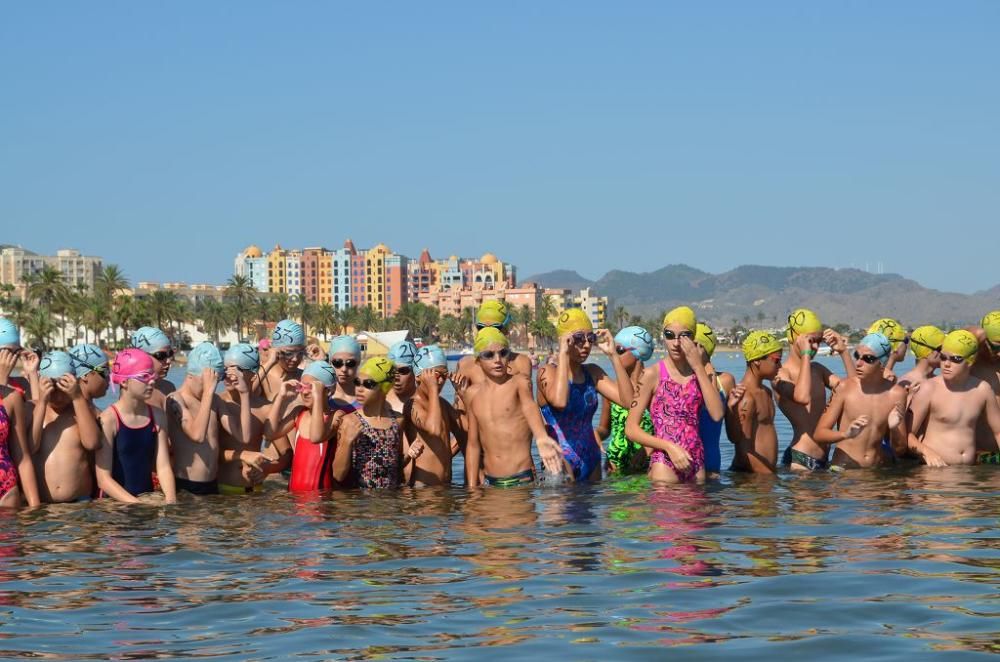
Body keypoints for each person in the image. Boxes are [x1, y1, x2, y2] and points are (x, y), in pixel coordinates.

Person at [625, 306, 724, 484]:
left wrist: (699, 367)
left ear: (693, 338)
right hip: (665, 463)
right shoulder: (652, 375)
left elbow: (717, 414)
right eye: (670, 335)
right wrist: (669, 447)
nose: (676, 343)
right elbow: (631, 429)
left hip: (696, 463)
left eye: (684, 336)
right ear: (663, 337)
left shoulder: (700, 375)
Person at [536, 309, 634, 481]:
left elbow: (628, 402)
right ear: (565, 340)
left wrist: (613, 356)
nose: (587, 345)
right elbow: (559, 402)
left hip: (592, 459)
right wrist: (563, 354)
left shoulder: (593, 373)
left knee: (589, 507)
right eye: (579, 338)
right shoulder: (547, 372)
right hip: (559, 462)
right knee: (563, 507)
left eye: (591, 338)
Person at [463, 328, 563, 487]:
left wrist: (541, 437)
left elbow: (530, 407)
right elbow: (473, 444)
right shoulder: (472, 394)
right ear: (478, 361)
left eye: (503, 353)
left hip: (521, 479)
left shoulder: (519, 383)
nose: (497, 359)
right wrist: (471, 487)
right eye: (488, 355)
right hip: (490, 483)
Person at [812, 333, 908, 469]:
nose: (858, 363)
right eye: (857, 356)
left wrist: (894, 430)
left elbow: (900, 450)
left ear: (882, 363)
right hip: (845, 470)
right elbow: (819, 434)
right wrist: (845, 434)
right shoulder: (844, 388)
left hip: (875, 472)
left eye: (867, 359)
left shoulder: (897, 394)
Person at [907, 330, 1000, 466]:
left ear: (970, 361)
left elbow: (998, 432)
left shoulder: (982, 389)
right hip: (936, 476)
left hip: (969, 476)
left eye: (955, 359)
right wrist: (926, 452)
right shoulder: (929, 388)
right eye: (943, 357)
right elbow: (907, 435)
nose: (947, 364)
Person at [96, 349, 176, 503]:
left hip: (146, 498)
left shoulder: (157, 416)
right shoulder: (109, 419)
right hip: (114, 504)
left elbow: (163, 467)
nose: (151, 381)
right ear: (124, 382)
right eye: (144, 377)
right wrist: (137, 504)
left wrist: (171, 502)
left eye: (152, 375)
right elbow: (103, 479)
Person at [778, 308, 853, 472]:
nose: (816, 347)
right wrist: (805, 354)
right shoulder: (781, 373)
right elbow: (802, 396)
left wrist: (843, 352)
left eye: (819, 341)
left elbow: (853, 390)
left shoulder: (817, 369)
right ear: (795, 338)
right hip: (800, 459)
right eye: (811, 341)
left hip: (824, 459)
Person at [726, 331, 811, 473]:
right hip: (750, 479)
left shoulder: (766, 391)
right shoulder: (746, 397)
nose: (780, 366)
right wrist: (767, 476)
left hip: (763, 476)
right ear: (757, 360)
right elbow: (743, 450)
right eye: (776, 360)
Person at [31, 352, 101, 503]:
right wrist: (42, 401)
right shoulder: (33, 410)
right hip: (45, 507)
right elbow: (31, 447)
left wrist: (77, 397)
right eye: (52, 387)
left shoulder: (81, 410)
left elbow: (92, 443)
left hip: (79, 503)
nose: (58, 395)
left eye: (64, 387)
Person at [267, 360, 345, 492]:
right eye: (302, 387)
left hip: (321, 500)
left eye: (311, 387)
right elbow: (270, 434)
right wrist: (281, 397)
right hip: (294, 497)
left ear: (328, 390)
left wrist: (318, 397)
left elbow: (316, 437)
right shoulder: (298, 413)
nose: (305, 392)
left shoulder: (337, 416)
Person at [333, 357, 411, 489]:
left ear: (384, 388)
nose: (360, 389)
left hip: (390, 503)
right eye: (357, 382)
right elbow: (337, 475)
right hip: (360, 502)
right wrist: (346, 442)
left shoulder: (398, 420)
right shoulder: (350, 421)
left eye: (368, 384)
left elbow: (397, 466)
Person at [166, 342, 226, 496]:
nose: (212, 387)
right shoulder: (175, 399)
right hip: (187, 486)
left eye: (215, 383)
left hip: (213, 485)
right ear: (190, 375)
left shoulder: (213, 401)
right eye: (206, 383)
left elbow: (242, 436)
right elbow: (197, 435)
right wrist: (208, 392)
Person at [217, 343, 275, 495]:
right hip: (224, 492)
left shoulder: (265, 408)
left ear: (253, 375)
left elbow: (285, 453)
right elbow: (207, 453)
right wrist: (242, 455)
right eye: (226, 368)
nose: (230, 374)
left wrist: (266, 469)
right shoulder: (216, 404)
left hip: (256, 491)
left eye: (238, 369)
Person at [402, 345, 463, 486]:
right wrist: (433, 389)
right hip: (424, 491)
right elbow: (434, 429)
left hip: (445, 486)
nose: (440, 381)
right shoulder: (412, 405)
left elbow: (466, 429)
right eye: (436, 376)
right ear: (418, 377)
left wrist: (462, 394)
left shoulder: (441, 404)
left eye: (444, 375)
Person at [605, 326, 656, 475]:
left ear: (637, 352)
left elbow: (666, 428)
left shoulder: (654, 387)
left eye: (619, 350)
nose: (614, 354)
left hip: (646, 467)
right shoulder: (612, 389)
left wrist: (647, 449)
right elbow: (604, 428)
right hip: (615, 469)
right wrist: (594, 436)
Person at [456, 300, 533, 386]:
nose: (489, 332)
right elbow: (460, 398)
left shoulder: (521, 363)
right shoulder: (465, 364)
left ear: (506, 329)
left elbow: (526, 397)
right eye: (482, 327)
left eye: (496, 328)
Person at [695, 322, 736, 477]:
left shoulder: (725, 381)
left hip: (712, 467)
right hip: (683, 464)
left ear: (701, 347)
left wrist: (732, 407)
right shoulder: (681, 381)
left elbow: (733, 434)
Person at [972, 311, 1000, 460]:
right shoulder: (972, 363)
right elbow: (968, 335)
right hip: (980, 456)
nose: (999, 353)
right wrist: (981, 334)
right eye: (996, 347)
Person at [258, 319, 306, 401]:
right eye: (288, 353)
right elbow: (244, 396)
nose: (295, 359)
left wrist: (321, 360)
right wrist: (270, 362)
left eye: (300, 353)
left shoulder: (305, 377)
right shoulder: (263, 378)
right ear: (275, 351)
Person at [130, 326, 176, 410]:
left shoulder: (169, 387)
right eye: (161, 356)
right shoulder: (133, 392)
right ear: (142, 356)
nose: (168, 361)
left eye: (170, 354)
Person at [897, 325, 944, 395]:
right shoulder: (905, 384)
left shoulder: (941, 381)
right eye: (942, 348)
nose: (946, 353)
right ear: (929, 351)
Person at [327, 335, 363, 413]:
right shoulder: (323, 398)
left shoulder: (367, 399)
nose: (344, 369)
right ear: (330, 363)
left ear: (358, 363)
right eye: (337, 363)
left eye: (350, 363)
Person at [386, 340, 419, 415]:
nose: (396, 377)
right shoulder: (378, 401)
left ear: (415, 371)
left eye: (403, 371)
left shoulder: (428, 402)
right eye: (392, 370)